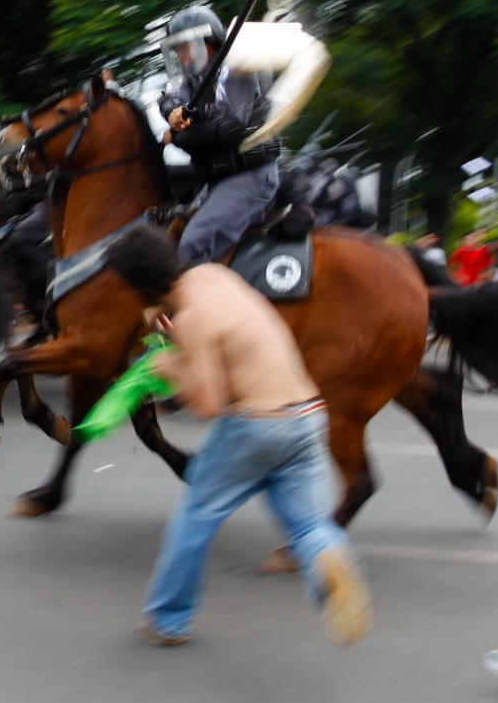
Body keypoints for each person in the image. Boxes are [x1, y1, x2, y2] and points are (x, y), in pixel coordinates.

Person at [102, 225, 372, 648]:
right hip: (305, 415)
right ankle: (332, 561)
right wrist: (169, 332)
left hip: (257, 425)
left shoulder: (192, 320)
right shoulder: (214, 276)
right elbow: (231, 343)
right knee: (307, 526)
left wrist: (168, 368)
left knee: (196, 513)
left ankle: (168, 620)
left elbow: (207, 404)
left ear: (138, 286)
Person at [159, 5, 282, 264]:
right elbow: (171, 97)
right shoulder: (194, 78)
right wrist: (174, 113)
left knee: (193, 243)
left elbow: (233, 126)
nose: (180, 56)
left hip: (250, 179)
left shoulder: (236, 68)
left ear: (208, 44)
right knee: (170, 232)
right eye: (177, 49)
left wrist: (179, 135)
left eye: (184, 47)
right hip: (218, 182)